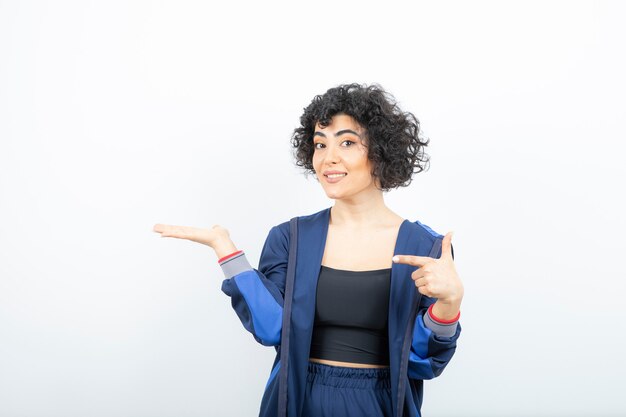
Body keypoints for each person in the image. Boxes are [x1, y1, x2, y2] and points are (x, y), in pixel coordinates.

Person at [153, 83, 463, 417]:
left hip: (377, 404)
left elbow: (423, 360)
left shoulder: (425, 247)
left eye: (347, 142)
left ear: (382, 152)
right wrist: (226, 251)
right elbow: (272, 328)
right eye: (319, 144)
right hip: (298, 401)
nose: (329, 158)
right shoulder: (291, 238)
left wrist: (449, 303)